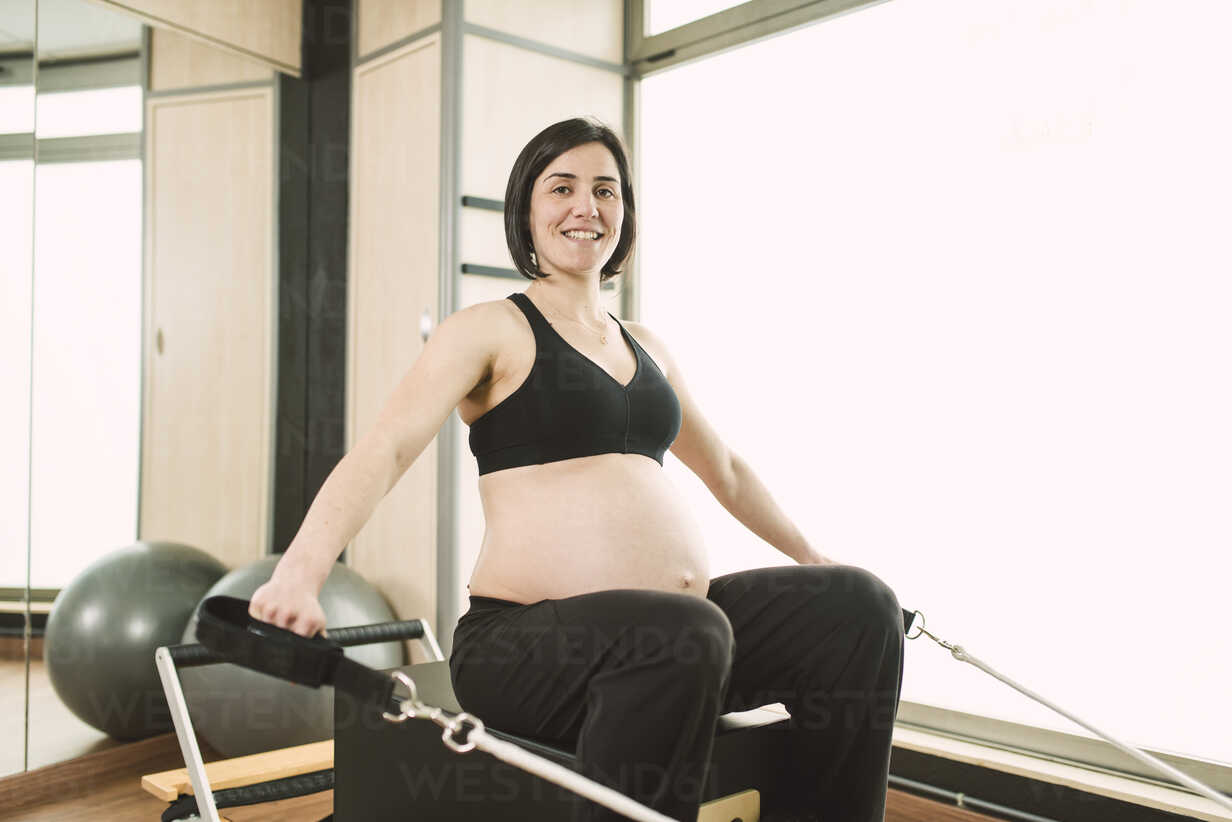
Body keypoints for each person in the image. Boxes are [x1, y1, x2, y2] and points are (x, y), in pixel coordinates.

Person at [250, 116, 907, 822]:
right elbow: (385, 451)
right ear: (526, 214)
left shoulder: (648, 345)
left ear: (624, 213)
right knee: (686, 634)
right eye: (561, 188)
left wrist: (810, 556)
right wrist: (301, 570)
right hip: (524, 650)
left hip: (681, 642)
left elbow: (726, 471)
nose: (585, 207)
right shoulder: (488, 329)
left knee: (857, 606)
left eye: (605, 190)